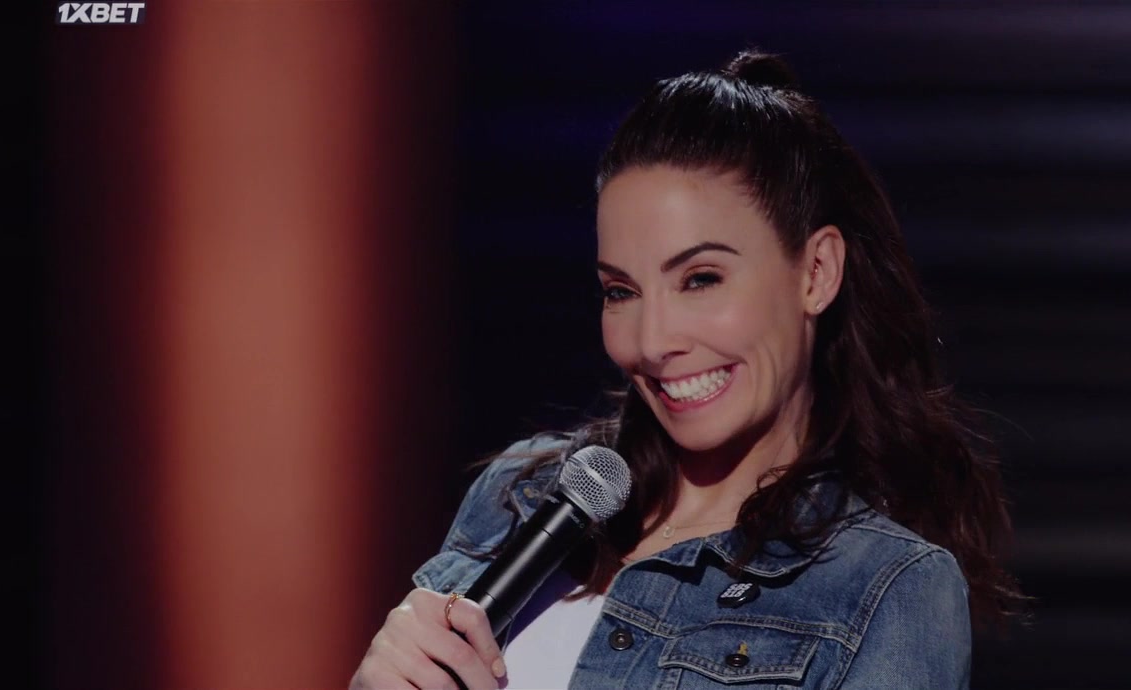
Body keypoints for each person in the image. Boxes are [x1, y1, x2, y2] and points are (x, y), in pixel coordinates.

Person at [350, 49, 1024, 690]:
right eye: (621, 291)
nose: (653, 340)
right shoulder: (520, 496)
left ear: (816, 272)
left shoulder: (886, 586)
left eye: (701, 279)